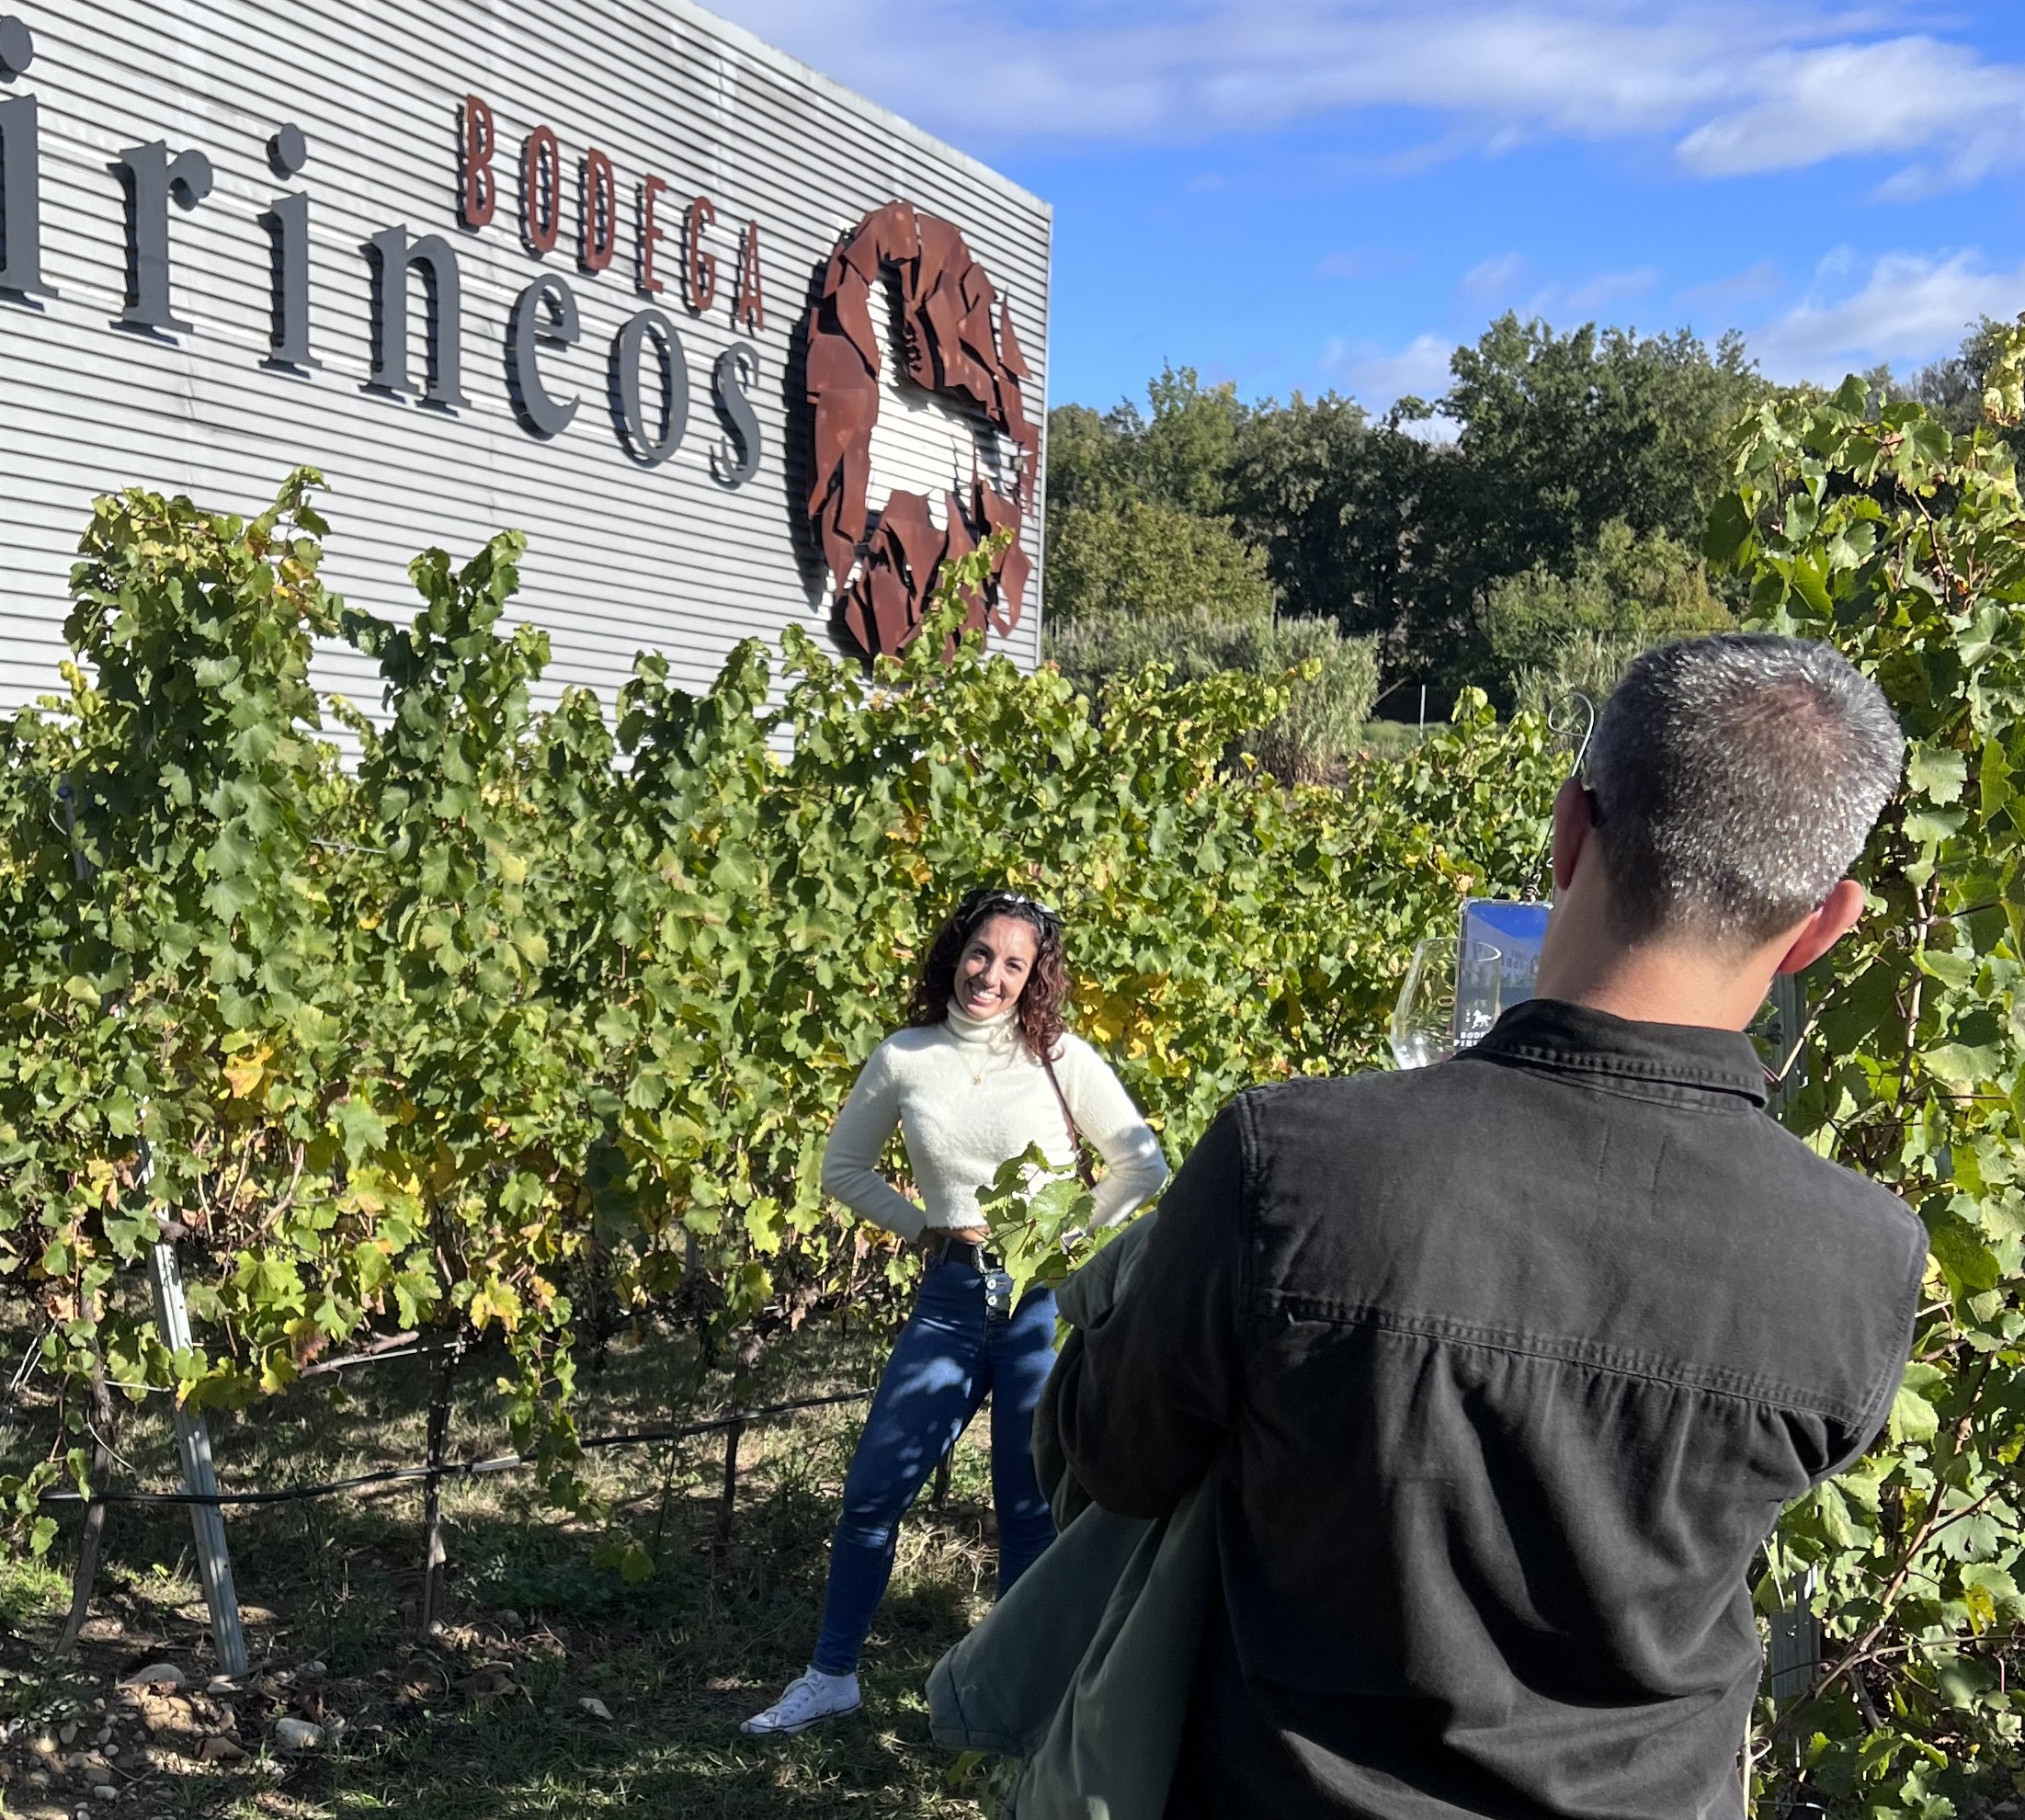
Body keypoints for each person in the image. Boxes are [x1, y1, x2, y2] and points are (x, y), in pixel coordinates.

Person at [1054, 634, 1928, 1817]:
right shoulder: (1865, 1257)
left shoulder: (1290, 1160)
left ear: (1569, 832)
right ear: (1827, 924)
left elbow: (1113, 1457)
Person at [744, 887, 1169, 1736]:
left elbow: (1142, 1164)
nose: (991, 975)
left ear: (1034, 976)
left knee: (1026, 1507)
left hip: (1036, 1305)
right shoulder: (906, 1056)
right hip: (949, 1300)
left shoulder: (1060, 1058)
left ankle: (1014, 1705)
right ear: (956, 951)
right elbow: (843, 1168)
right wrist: (925, 1228)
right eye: (982, 953)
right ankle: (831, 1676)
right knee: (871, 1493)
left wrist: (1059, 1235)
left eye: (1014, 963)